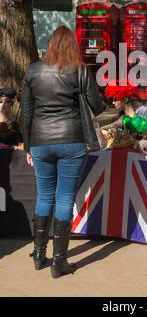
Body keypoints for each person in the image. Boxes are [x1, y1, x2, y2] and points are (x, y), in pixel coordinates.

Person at [21, 26, 105, 278]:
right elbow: (97, 106)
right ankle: (59, 262)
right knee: (65, 198)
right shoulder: (79, 69)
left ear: (51, 44)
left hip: (40, 141)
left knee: (45, 196)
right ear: (72, 46)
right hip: (72, 141)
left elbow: (26, 113)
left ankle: (38, 254)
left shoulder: (34, 70)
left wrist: (28, 146)